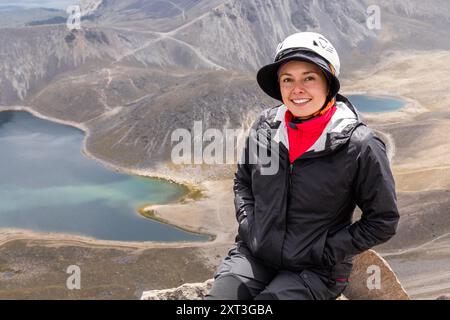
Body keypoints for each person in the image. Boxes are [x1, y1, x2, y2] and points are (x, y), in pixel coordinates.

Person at [205, 32, 400, 300]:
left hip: (315, 270)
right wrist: (249, 225)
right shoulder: (265, 128)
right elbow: (244, 181)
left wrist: (324, 250)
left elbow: (383, 220)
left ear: (329, 82)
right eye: (287, 79)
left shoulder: (359, 145)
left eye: (309, 77)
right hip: (255, 255)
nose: (297, 89)